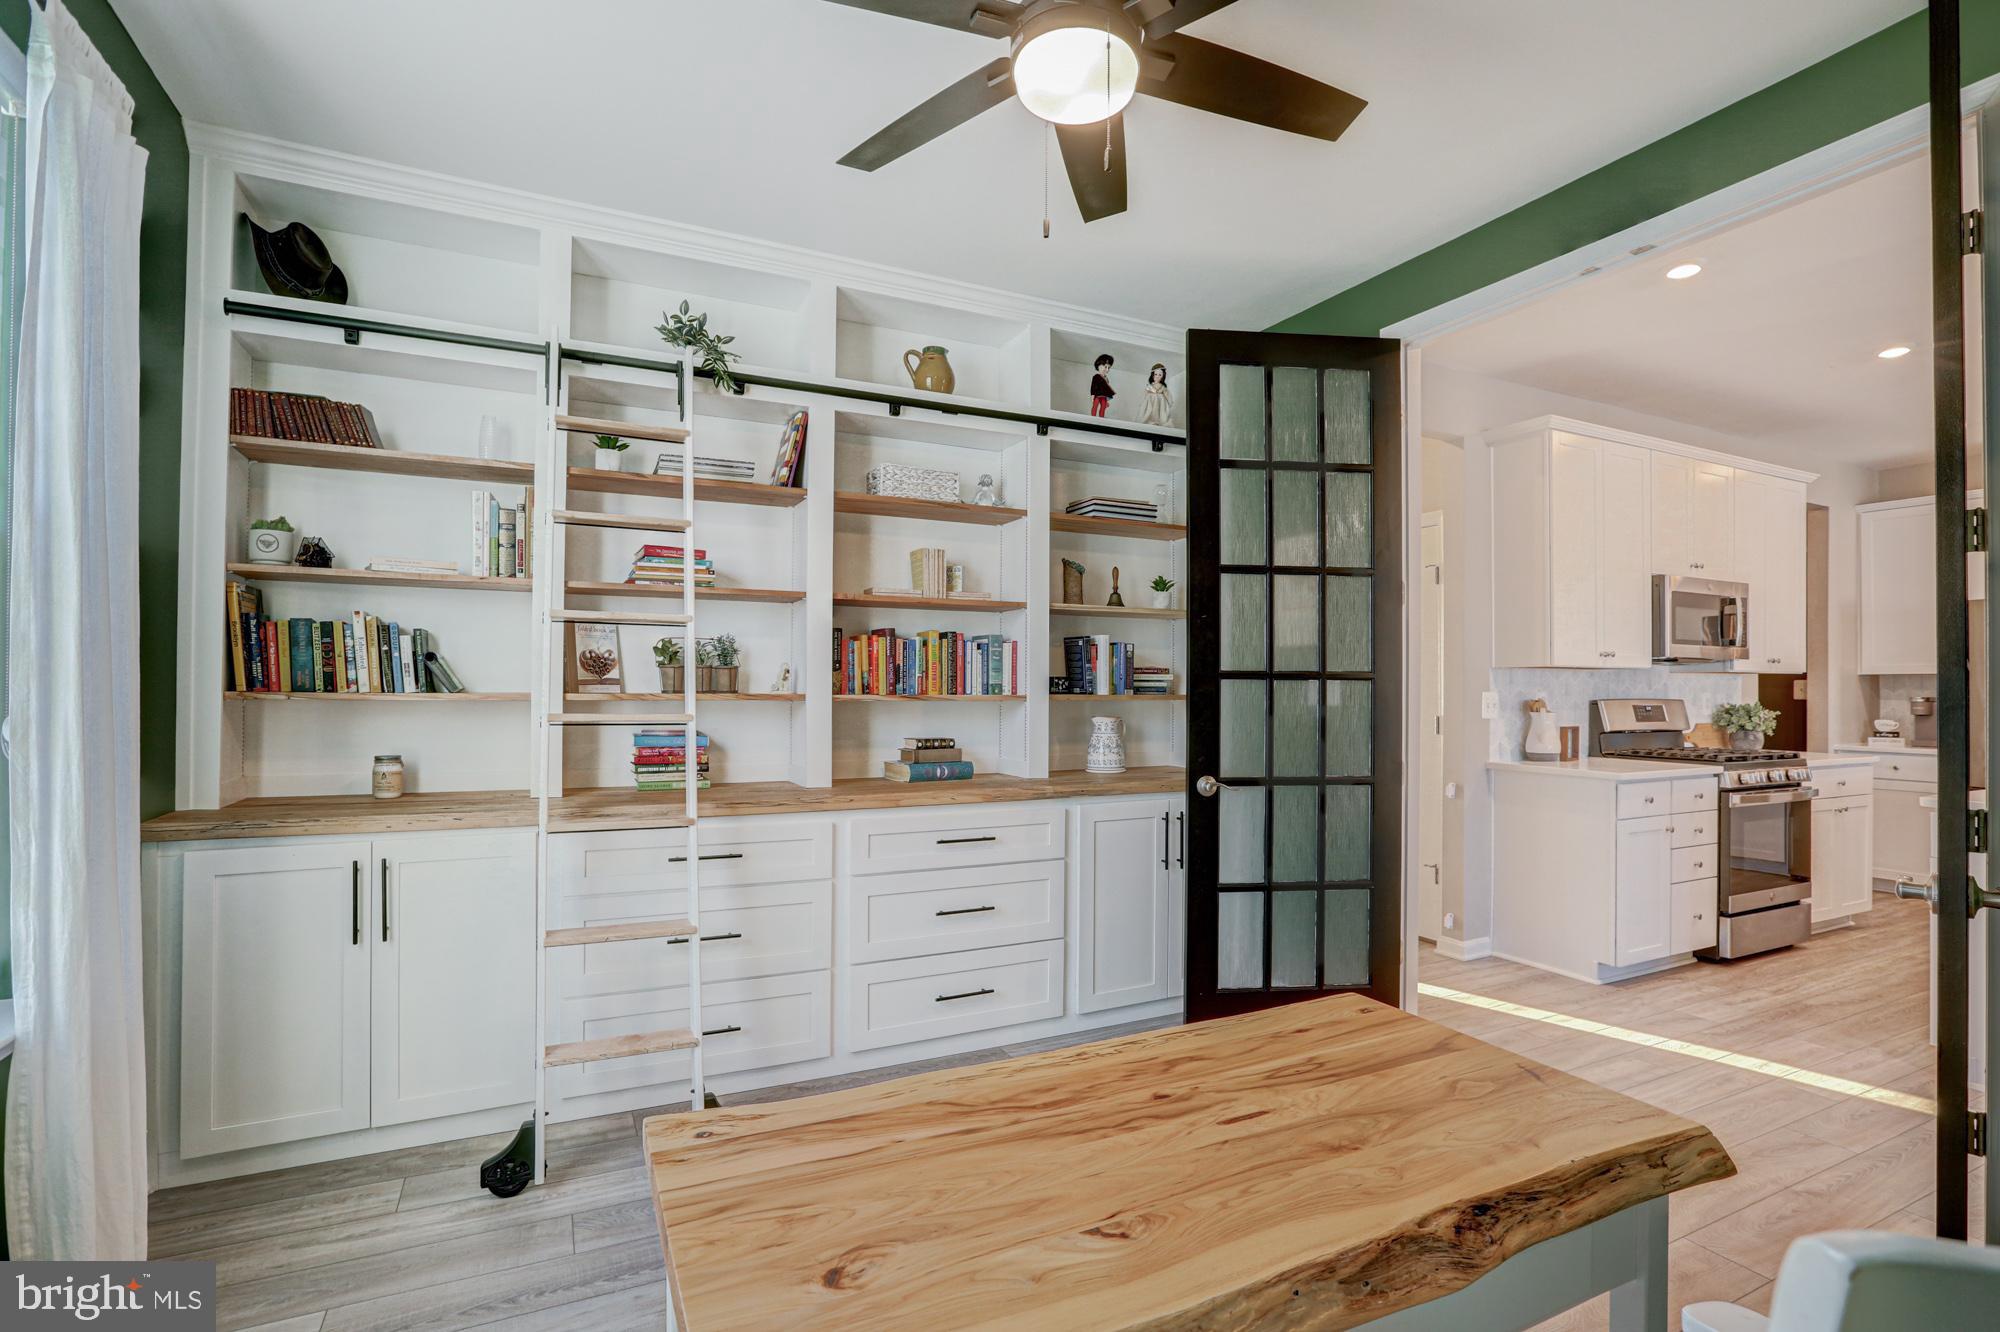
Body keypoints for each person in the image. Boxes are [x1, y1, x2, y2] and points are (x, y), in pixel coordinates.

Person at [1139, 363, 1173, 427]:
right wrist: (1142, 401)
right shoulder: (1150, 386)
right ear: (1152, 375)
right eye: (1156, 374)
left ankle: (1158, 421)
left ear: (1163, 376)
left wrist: (1170, 402)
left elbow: (1167, 394)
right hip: (1150, 402)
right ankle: (1150, 421)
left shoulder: (1163, 387)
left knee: (1159, 412)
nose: (1157, 376)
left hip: (1160, 402)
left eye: (1160, 375)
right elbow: (1144, 394)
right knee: (1149, 411)